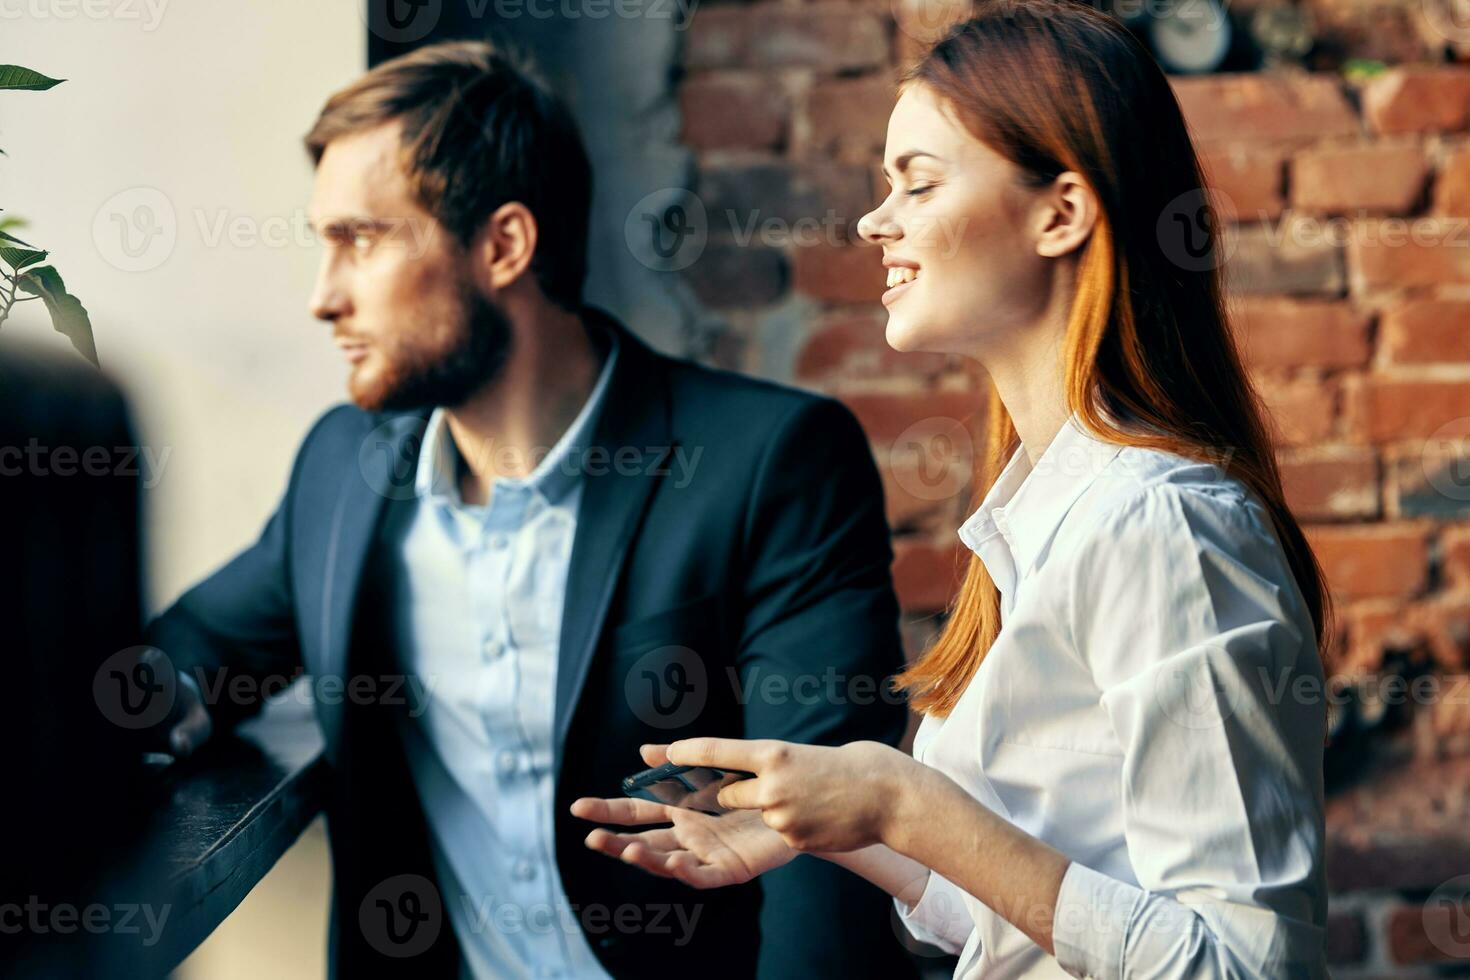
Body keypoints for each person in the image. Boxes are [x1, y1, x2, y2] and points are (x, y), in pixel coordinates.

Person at [572, 2, 1333, 976]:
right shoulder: (1048, 516)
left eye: (917, 183)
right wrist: (835, 830)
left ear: (1062, 212)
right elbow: (1027, 929)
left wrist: (907, 801)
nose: (872, 219)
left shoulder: (1160, 522)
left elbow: (1241, 962)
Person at [142, 40, 916, 979]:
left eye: (362, 240)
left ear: (504, 245)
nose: (323, 298)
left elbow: (828, 866)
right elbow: (202, 648)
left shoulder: (771, 464)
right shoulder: (343, 473)